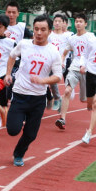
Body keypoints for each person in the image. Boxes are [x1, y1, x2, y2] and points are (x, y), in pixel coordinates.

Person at [4, 14, 62, 167]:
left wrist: (43, 80)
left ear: (50, 31)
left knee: (31, 134)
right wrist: (8, 73)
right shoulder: (24, 44)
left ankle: (19, 154)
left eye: (43, 29)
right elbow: (11, 56)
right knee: (12, 130)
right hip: (20, 94)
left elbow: (58, 76)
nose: (39, 33)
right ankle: (20, 119)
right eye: (36, 29)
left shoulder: (53, 52)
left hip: (38, 99)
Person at [55, 13, 95, 130]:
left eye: (81, 21)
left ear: (85, 24)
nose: (78, 23)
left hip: (87, 70)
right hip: (74, 68)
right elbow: (65, 52)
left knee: (85, 99)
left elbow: (94, 52)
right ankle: (62, 119)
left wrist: (87, 65)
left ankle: (88, 103)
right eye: (77, 21)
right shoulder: (71, 38)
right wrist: (62, 61)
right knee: (67, 91)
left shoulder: (90, 37)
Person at [47, 14, 73, 111]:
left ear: (63, 23)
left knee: (53, 79)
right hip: (48, 62)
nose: (57, 23)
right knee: (43, 81)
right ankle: (50, 98)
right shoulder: (49, 35)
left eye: (59, 21)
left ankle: (57, 98)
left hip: (61, 63)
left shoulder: (68, 35)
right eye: (55, 21)